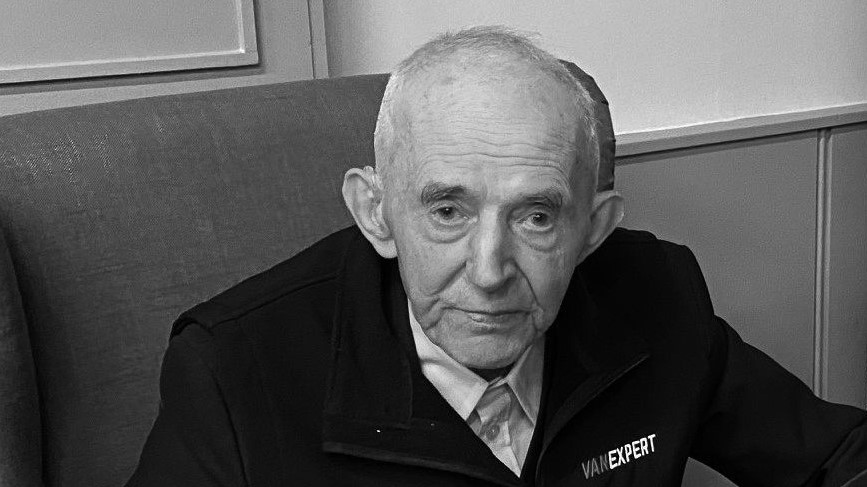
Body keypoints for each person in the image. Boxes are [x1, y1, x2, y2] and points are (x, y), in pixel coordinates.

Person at [126, 26, 867, 486]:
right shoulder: (234, 371)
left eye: (536, 217)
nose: (488, 272)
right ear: (376, 212)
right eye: (447, 211)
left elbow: (838, 455)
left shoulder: (658, 295)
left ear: (593, 229)